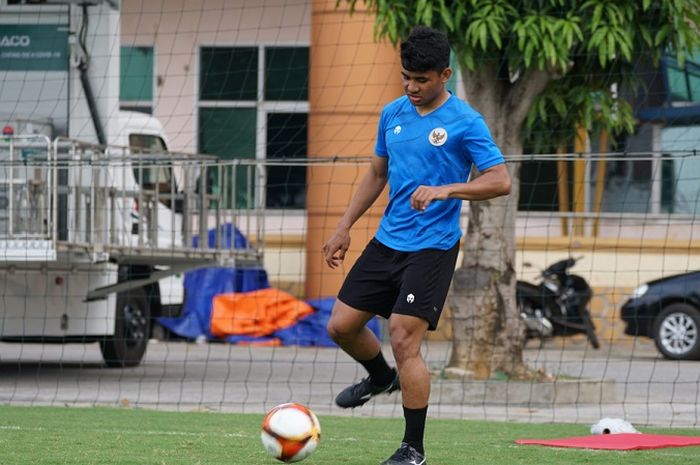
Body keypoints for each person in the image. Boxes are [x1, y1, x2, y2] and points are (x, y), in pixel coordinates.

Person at [322, 26, 511, 465]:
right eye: (406, 77)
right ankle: (380, 377)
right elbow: (376, 173)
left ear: (444, 74)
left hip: (433, 246)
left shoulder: (466, 121)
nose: (411, 87)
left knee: (405, 339)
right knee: (340, 326)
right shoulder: (393, 114)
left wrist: (447, 190)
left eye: (421, 80)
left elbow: (499, 180)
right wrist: (344, 226)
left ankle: (413, 448)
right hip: (388, 239)